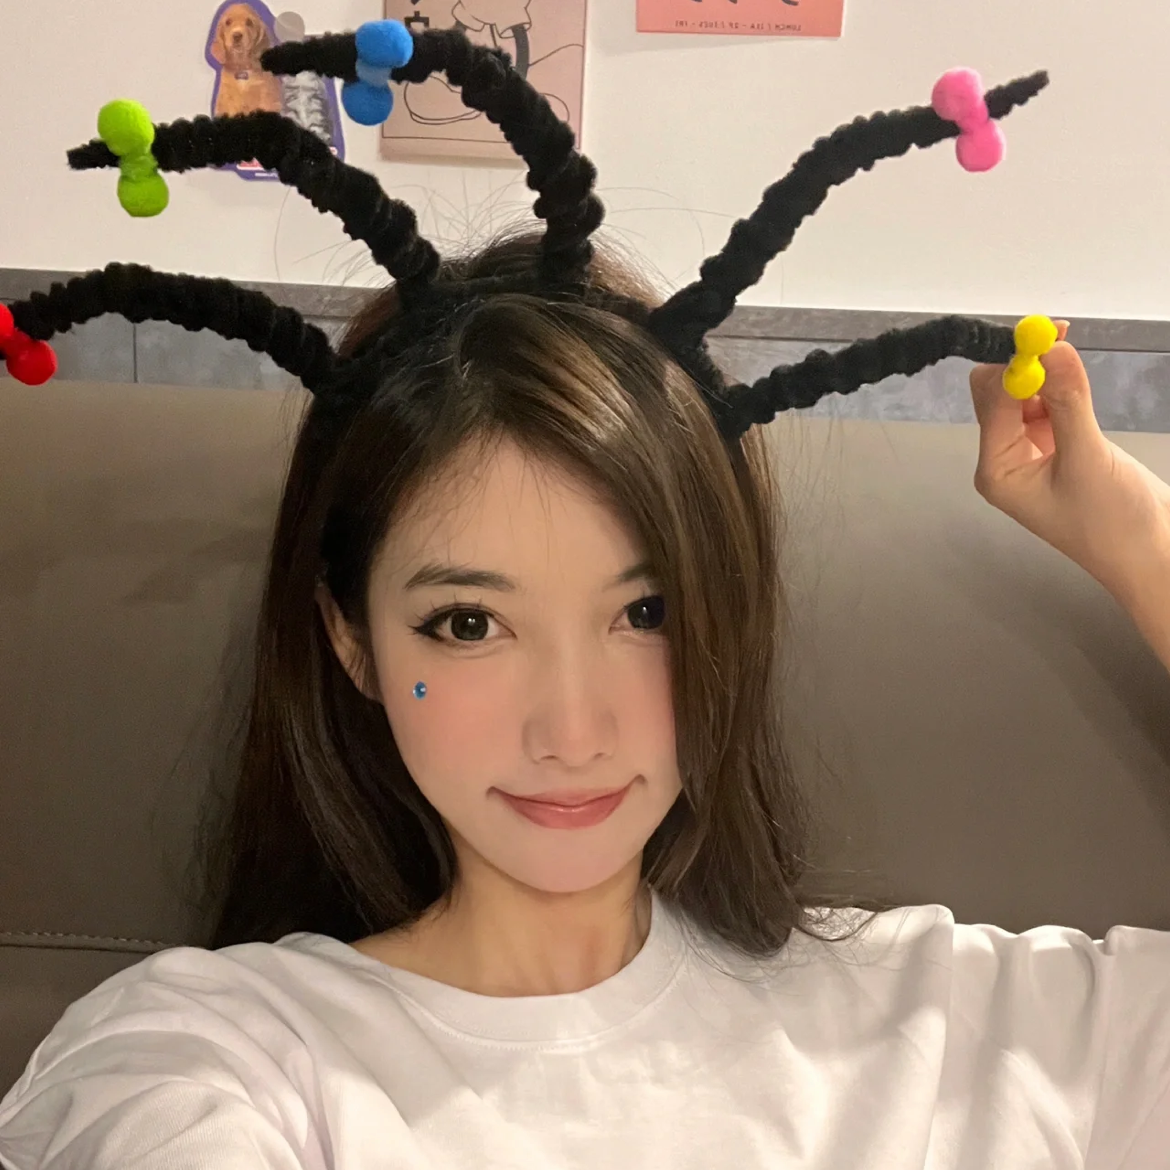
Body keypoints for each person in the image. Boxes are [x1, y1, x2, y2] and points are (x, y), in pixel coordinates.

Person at [1, 20, 1168, 1170]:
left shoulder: (947, 1027)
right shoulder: (217, 1059)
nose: (572, 731)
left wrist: (1138, 539)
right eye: (469, 624)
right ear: (350, 639)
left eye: (645, 613)